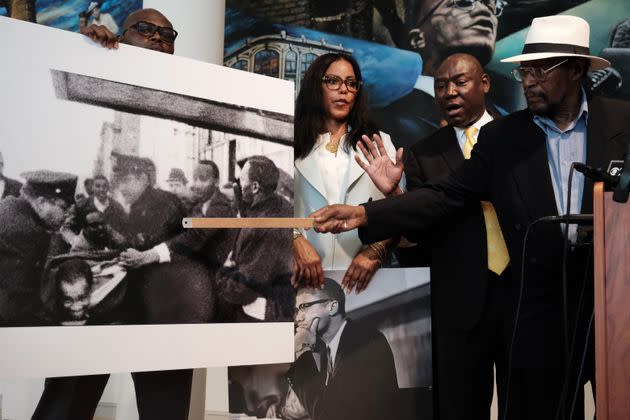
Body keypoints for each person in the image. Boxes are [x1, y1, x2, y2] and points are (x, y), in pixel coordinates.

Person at [311, 15, 630, 419]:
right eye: (523, 71)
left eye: (539, 70)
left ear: (577, 69)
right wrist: (364, 212)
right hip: (541, 312)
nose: (528, 81)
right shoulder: (505, 137)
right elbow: (446, 194)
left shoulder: (623, 122)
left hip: (616, 303)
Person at [33, 9, 191, 420]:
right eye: (145, 30)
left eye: (168, 34)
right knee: (65, 403)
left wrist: (154, 254)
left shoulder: (187, 106)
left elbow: (190, 235)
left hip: (159, 310)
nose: (159, 38)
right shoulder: (96, 81)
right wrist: (86, 51)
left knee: (165, 408)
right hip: (96, 301)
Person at [395, 52, 509, 420]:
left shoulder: (520, 135)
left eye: (460, 82)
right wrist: (396, 200)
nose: (449, 92)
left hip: (522, 298)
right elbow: (418, 238)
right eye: (441, 85)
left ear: (484, 83)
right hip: (457, 306)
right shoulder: (424, 153)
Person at [293, 52, 402, 292]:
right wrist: (294, 240)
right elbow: (273, 209)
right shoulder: (290, 143)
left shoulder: (379, 143)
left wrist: (374, 252)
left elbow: (401, 212)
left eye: (351, 83)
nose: (343, 90)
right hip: (299, 279)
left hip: (365, 281)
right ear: (315, 86)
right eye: (333, 81)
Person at [372, 0, 504, 150]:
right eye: (463, 2)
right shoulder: (388, 122)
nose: (484, 11)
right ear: (417, 38)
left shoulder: (507, 119)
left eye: (493, 7)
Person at [288, 278, 399, 420]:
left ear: (332, 307)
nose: (298, 318)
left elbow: (333, 416)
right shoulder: (324, 349)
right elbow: (323, 405)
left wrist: (302, 352)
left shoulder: (366, 342)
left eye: (305, 306)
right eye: (297, 310)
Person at [215, 155, 294, 322]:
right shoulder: (283, 207)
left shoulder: (262, 224)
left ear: (255, 186)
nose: (238, 184)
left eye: (242, 180)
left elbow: (243, 290)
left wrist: (221, 275)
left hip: (260, 316)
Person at [0, 170, 77, 326]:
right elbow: (17, 308)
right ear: (42, 203)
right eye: (64, 208)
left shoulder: (12, 206)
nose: (67, 216)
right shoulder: (23, 232)